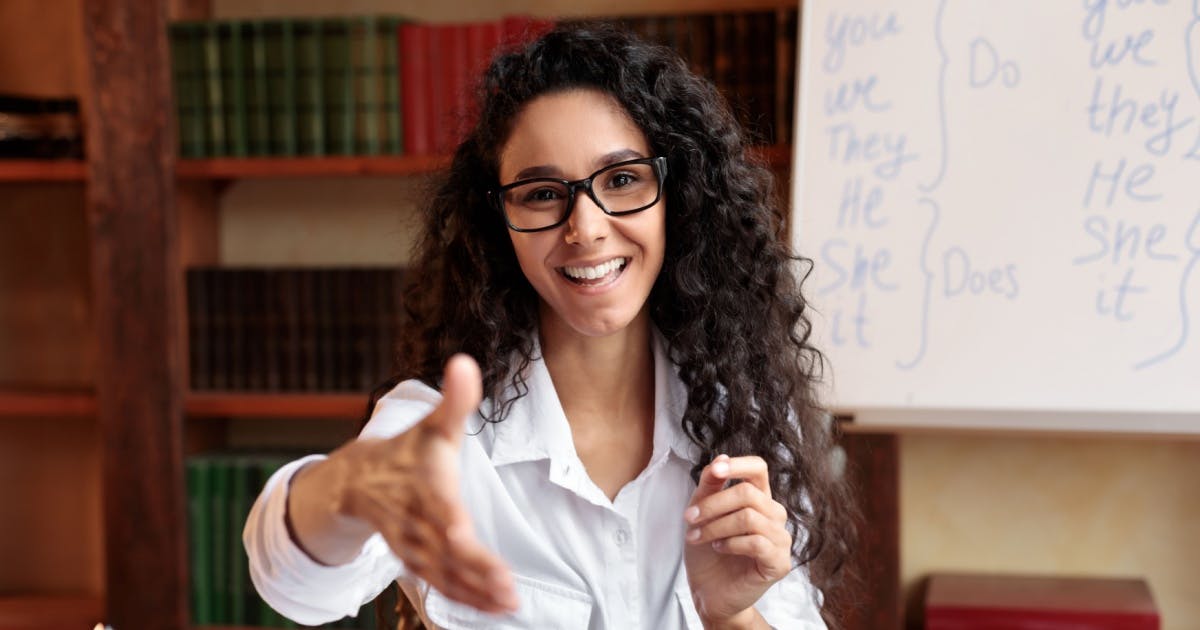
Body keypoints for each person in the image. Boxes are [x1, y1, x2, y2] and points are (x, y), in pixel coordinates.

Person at [244, 22, 856, 629]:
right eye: (541, 193)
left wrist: (731, 615)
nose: (585, 228)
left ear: (679, 195)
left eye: (621, 180)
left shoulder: (745, 417)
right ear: (499, 222)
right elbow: (295, 585)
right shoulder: (439, 430)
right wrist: (344, 493)